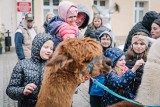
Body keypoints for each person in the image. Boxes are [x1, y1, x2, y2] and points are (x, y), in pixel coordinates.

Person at [6, 33, 54, 107]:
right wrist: (23, 91)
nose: (49, 51)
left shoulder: (54, 67)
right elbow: (10, 90)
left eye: (51, 48)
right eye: (46, 47)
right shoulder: (22, 65)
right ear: (37, 46)